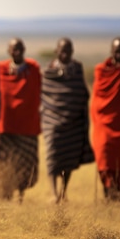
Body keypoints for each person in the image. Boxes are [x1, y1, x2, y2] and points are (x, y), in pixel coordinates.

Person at [41, 37, 94, 203]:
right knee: (52, 155)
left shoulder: (77, 69)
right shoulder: (49, 71)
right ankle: (53, 193)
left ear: (72, 52)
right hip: (52, 123)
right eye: (62, 50)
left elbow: (83, 92)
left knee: (69, 159)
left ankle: (64, 192)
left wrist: (75, 103)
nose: (65, 53)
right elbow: (45, 94)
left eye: (68, 50)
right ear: (57, 51)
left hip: (73, 122)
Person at [90, 37, 120, 201]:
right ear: (111, 52)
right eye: (117, 51)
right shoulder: (102, 71)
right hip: (104, 125)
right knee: (105, 161)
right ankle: (108, 197)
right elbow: (97, 100)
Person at [0, 37, 41, 202]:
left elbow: (38, 91)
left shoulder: (32, 68)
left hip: (27, 126)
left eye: (20, 48)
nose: (17, 51)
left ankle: (21, 195)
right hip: (5, 125)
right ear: (9, 51)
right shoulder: (1, 69)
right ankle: (5, 196)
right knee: (5, 162)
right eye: (14, 49)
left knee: (26, 163)